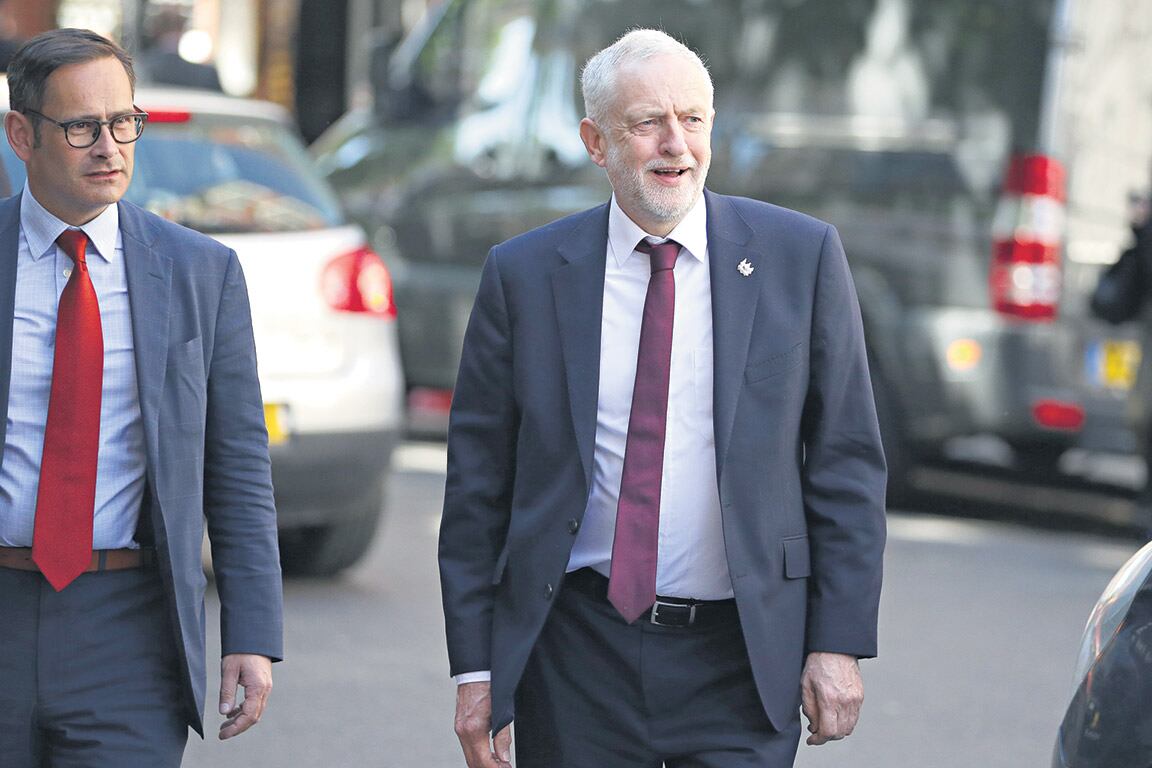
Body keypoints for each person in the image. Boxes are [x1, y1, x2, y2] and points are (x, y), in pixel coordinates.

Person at [439, 28, 887, 768]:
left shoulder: (798, 260)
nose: (675, 146)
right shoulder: (524, 276)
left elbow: (846, 465)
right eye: (647, 123)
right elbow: (478, 486)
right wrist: (476, 669)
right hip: (575, 655)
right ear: (596, 140)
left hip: (741, 659)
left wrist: (837, 641)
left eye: (693, 119)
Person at [0, 28, 282, 766]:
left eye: (124, 122)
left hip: (128, 630)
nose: (110, 147)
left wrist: (251, 633)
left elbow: (239, 464)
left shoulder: (199, 272)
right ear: (21, 134)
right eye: (83, 127)